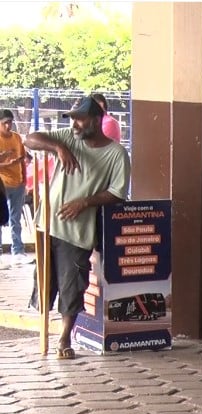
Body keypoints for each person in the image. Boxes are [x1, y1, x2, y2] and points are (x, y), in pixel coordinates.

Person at [25, 96, 130, 359]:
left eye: (80, 119)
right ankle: (45, 332)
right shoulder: (70, 138)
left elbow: (117, 193)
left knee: (72, 285)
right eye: (72, 119)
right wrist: (58, 148)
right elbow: (30, 139)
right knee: (45, 281)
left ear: (96, 121)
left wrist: (85, 202)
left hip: (78, 230)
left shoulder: (116, 154)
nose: (75, 124)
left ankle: (64, 339)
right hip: (48, 223)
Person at [0, 109, 32, 265]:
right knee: (1, 218)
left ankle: (18, 250)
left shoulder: (17, 138)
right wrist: (7, 163)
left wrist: (24, 180)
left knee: (16, 219)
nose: (8, 126)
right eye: (4, 123)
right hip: (2, 184)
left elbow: (23, 158)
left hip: (18, 183)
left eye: (10, 122)